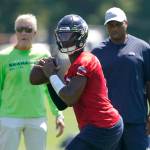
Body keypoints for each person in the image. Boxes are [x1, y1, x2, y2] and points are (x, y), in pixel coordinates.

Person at [30, 14, 124, 150]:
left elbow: (70, 97)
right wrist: (50, 80)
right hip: (98, 127)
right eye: (61, 35)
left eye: (68, 35)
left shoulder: (85, 60)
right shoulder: (72, 68)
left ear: (80, 36)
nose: (63, 39)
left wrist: (52, 75)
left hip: (103, 126)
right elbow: (62, 104)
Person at [0, 14, 64, 150]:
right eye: (20, 29)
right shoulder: (3, 56)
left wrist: (58, 114)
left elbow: (50, 88)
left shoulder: (43, 55)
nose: (24, 33)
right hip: (9, 118)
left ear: (34, 33)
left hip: (37, 118)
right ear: (15, 31)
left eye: (28, 29)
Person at [92, 7, 150, 150]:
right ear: (106, 27)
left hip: (137, 122)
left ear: (126, 23)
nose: (114, 28)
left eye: (118, 24)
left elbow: (149, 84)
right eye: (111, 25)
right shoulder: (97, 53)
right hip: (108, 123)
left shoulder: (143, 48)